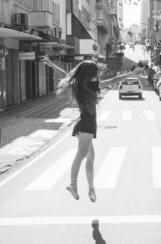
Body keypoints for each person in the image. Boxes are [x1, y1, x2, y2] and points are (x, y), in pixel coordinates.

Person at [43, 58, 143, 202]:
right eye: (95, 72)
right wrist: (131, 74)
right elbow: (114, 79)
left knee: (90, 158)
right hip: (86, 126)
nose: (97, 74)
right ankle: (73, 184)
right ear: (90, 73)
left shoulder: (76, 84)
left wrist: (52, 64)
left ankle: (91, 189)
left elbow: (65, 74)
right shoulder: (92, 85)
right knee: (81, 155)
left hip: (84, 125)